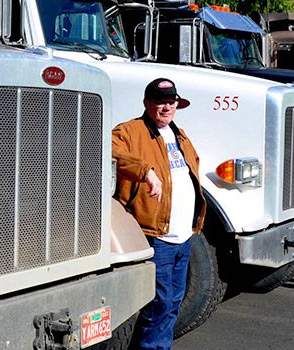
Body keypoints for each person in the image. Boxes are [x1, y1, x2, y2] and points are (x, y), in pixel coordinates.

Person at [112, 78, 206, 350]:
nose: (166, 108)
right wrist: (145, 171)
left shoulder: (180, 134)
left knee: (173, 301)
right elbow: (109, 148)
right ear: (146, 104)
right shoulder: (130, 131)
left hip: (183, 235)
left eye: (171, 102)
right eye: (160, 102)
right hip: (156, 236)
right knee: (159, 303)